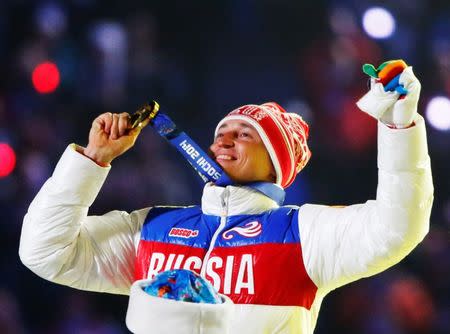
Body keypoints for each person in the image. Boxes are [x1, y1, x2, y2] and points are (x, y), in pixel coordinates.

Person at [19, 65, 433, 334]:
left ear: (274, 164)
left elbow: (396, 228)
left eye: (244, 134)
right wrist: (91, 162)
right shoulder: (152, 227)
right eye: (221, 131)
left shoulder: (304, 234)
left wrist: (400, 126)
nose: (223, 139)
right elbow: (45, 252)